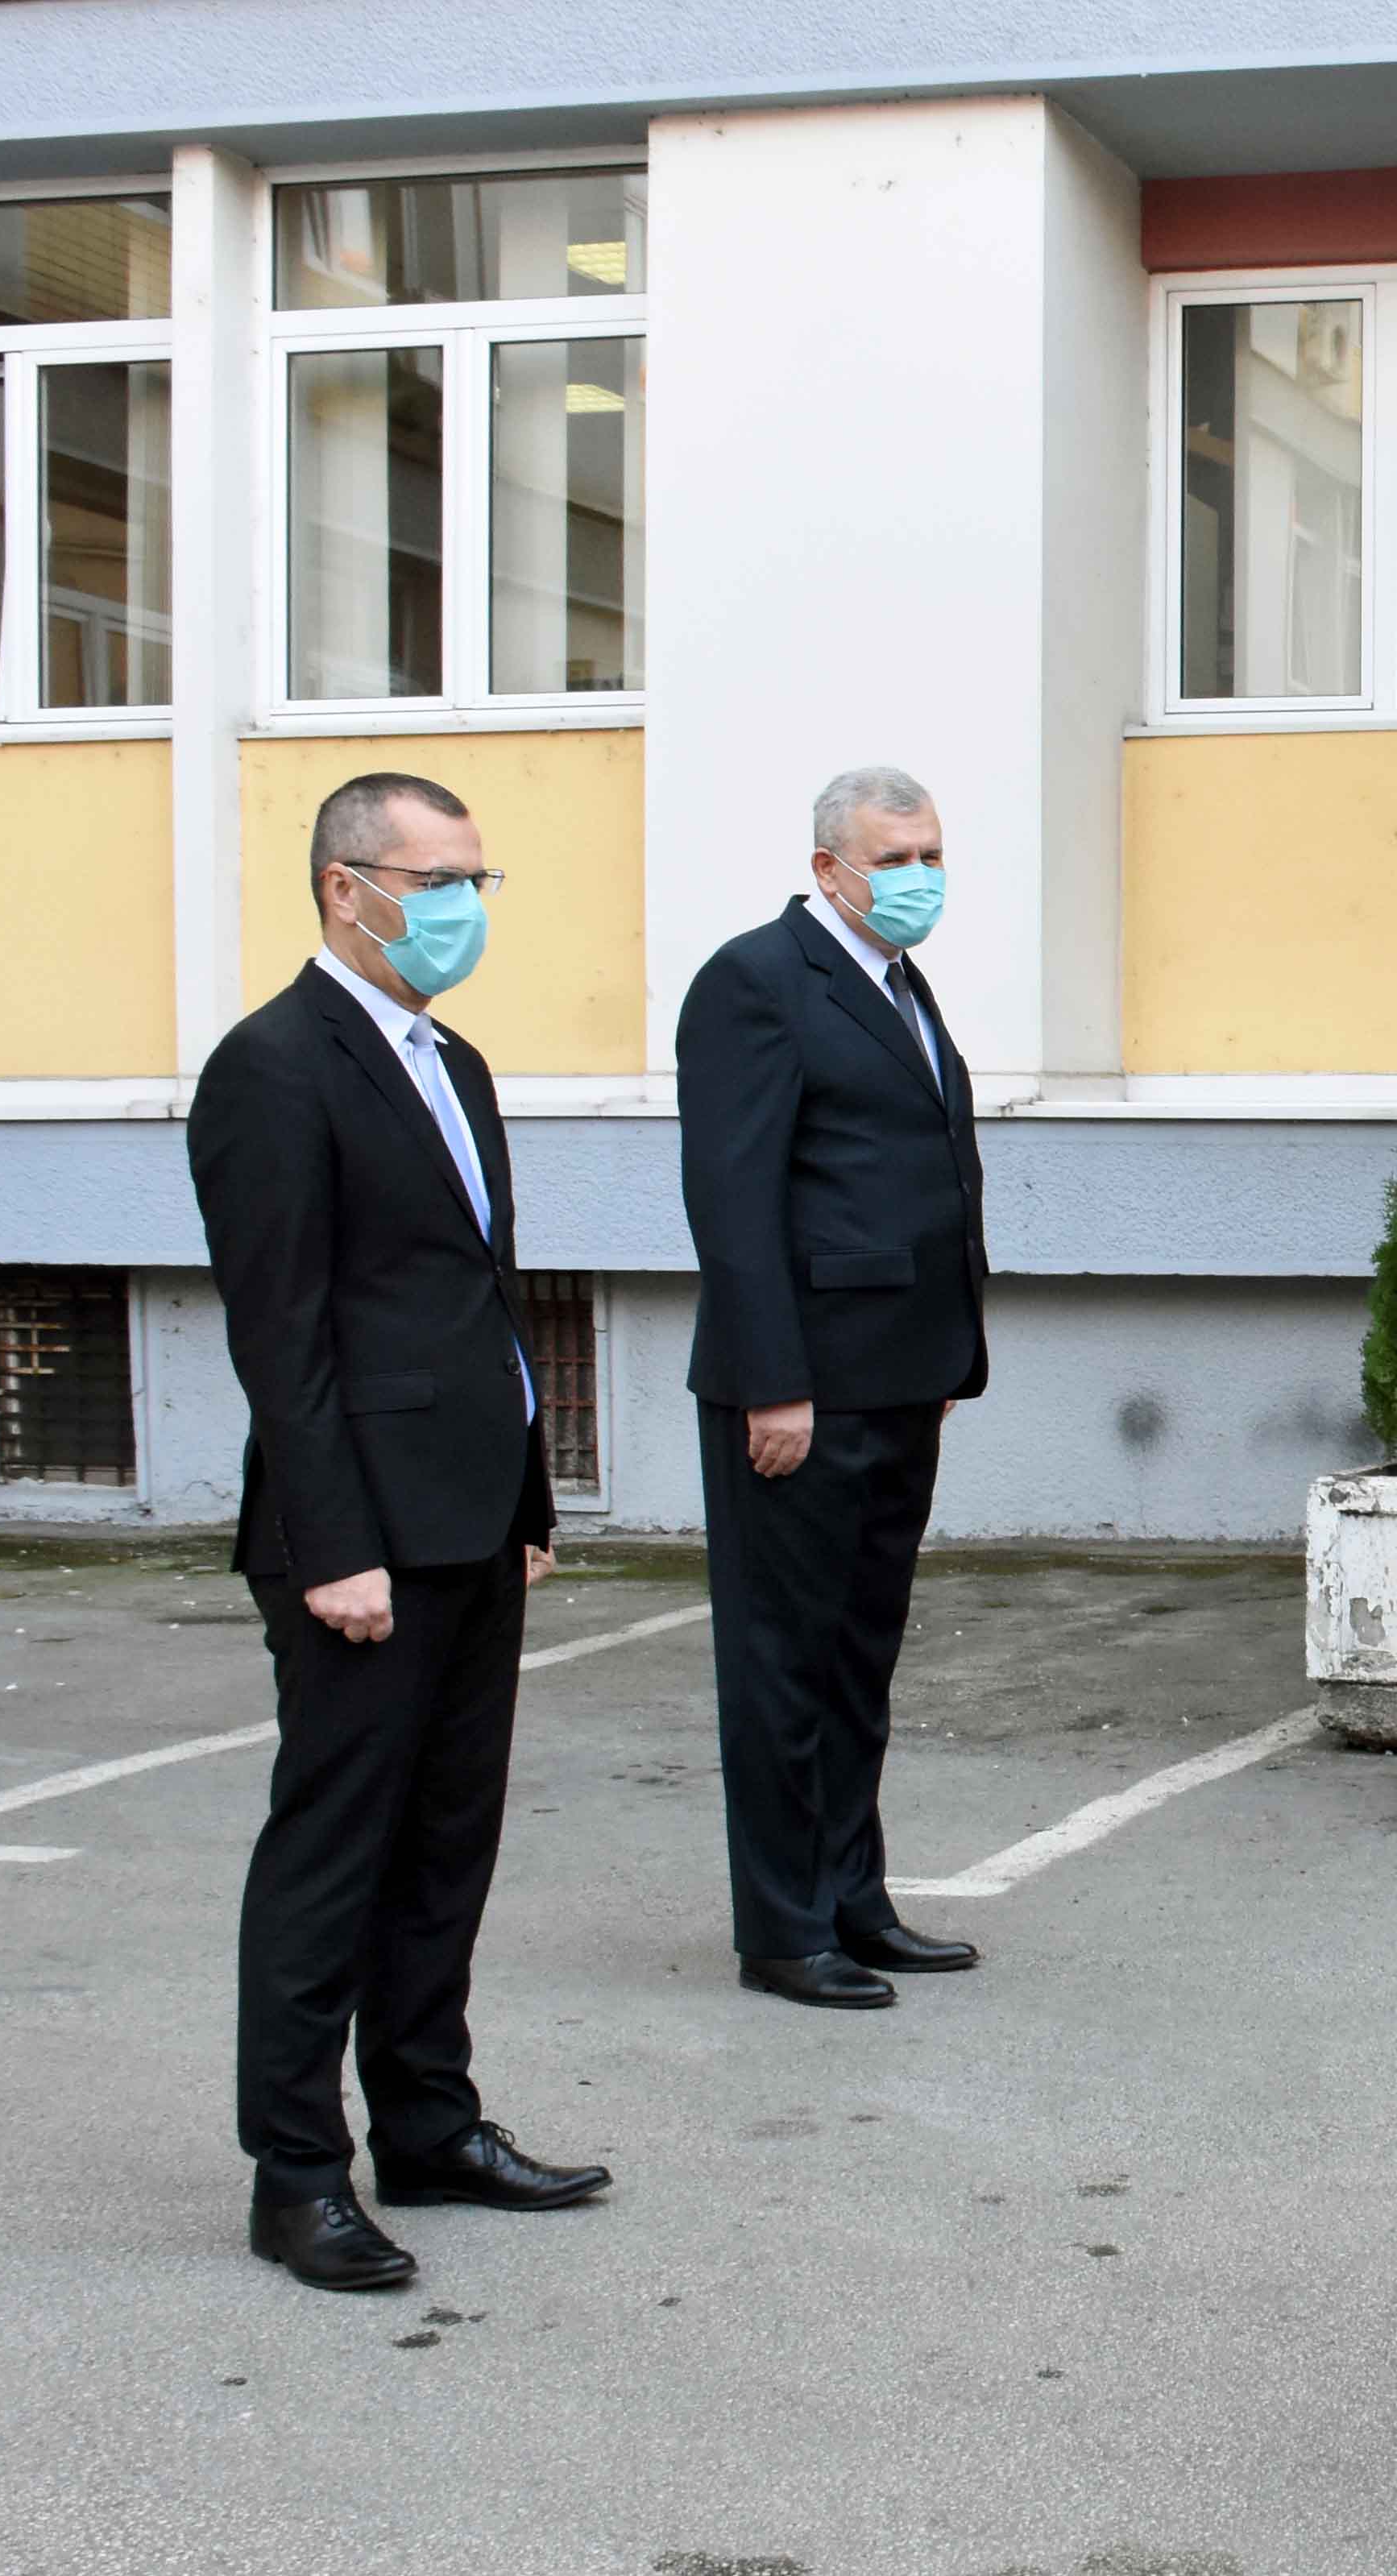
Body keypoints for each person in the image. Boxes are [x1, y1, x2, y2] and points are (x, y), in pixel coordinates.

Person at [187, 770, 612, 2295]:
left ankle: (429, 2123)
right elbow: (282, 1335)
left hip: (469, 1519)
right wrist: (332, 1545)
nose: (462, 910)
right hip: (358, 1537)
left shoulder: (454, 1061)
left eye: (476, 882)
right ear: (344, 887)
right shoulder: (272, 1067)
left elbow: (480, 1301)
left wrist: (526, 1501)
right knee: (334, 1855)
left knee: (445, 1844)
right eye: (436, 883)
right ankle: (298, 2173)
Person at [675, 765, 992, 2012]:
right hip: (801, 1390)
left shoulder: (897, 980)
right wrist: (772, 1383)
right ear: (828, 869)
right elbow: (735, 1198)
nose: (919, 878)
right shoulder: (756, 981)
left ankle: (855, 1898)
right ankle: (784, 1926)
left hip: (900, 1378)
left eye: (930, 854)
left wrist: (946, 1352)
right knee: (783, 1663)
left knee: (858, 1659)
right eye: (893, 859)